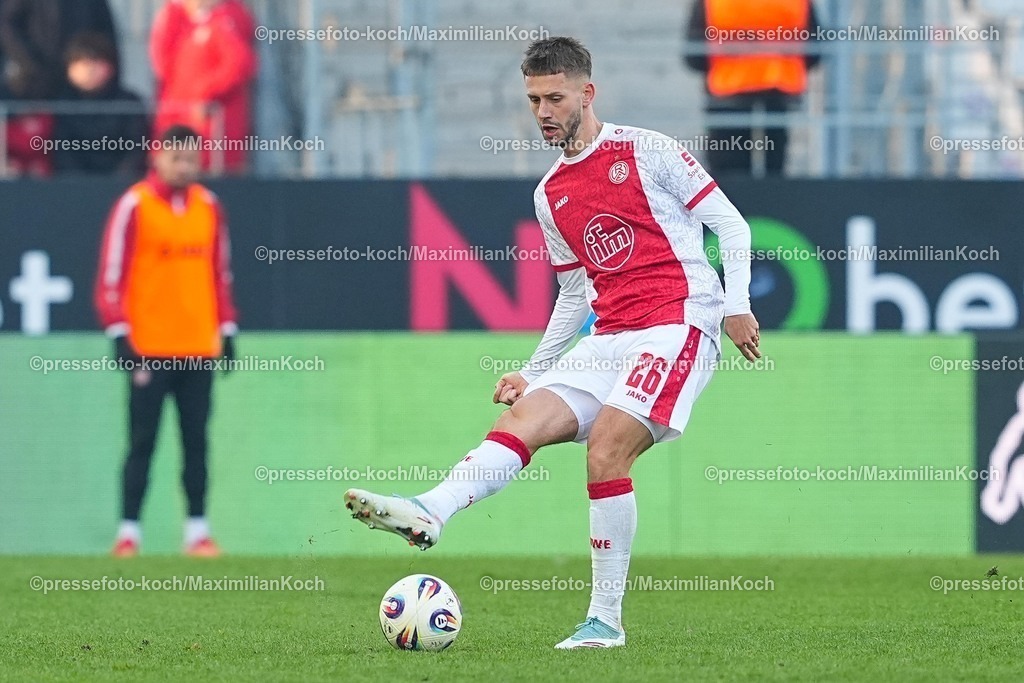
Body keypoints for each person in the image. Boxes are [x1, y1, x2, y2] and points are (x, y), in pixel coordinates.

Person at [345, 37, 759, 649]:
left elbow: (731, 224)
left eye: (555, 98)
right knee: (523, 417)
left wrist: (736, 305)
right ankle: (432, 508)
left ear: (586, 94)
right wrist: (534, 371)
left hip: (678, 323)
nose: (543, 111)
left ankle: (605, 622)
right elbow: (573, 293)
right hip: (610, 334)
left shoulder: (647, 150)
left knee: (606, 453)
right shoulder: (549, 194)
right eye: (534, 99)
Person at [94, 124, 239, 558]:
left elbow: (220, 273)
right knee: (142, 441)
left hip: (197, 347)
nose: (184, 166)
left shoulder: (209, 206)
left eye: (191, 159)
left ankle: (197, 533)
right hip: (150, 348)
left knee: (196, 441)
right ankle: (128, 534)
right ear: (157, 157)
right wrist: (119, 331)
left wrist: (227, 329)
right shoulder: (135, 205)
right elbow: (111, 275)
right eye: (176, 158)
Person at [684, 0, 821, 175]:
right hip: (777, 92)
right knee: (774, 169)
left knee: (728, 171)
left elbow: (694, 55)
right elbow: (815, 50)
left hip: (727, 94)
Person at [150, 0, 257, 174]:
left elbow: (239, 63)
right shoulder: (185, 24)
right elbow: (162, 63)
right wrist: (172, 13)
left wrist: (205, 92)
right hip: (181, 119)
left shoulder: (223, 21)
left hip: (210, 125)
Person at [53, 32, 147, 175]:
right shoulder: (62, 105)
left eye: (96, 61)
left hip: (124, 182)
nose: (89, 69)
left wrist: (118, 180)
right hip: (73, 184)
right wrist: (79, 182)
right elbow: (62, 152)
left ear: (111, 66)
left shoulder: (129, 103)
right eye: (81, 62)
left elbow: (136, 149)